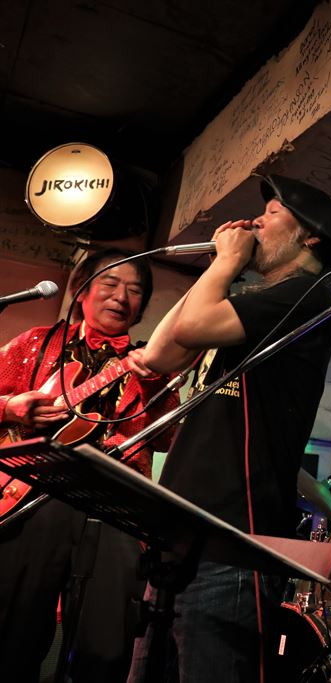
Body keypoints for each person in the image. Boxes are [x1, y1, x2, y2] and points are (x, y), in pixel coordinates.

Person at [126, 174, 331, 683]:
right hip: (182, 534)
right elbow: (159, 355)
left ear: (310, 236)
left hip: (232, 540)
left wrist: (226, 263)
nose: (253, 222)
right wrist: (218, 269)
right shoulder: (253, 302)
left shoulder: (308, 296)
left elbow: (192, 328)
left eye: (272, 214)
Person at [0, 249, 178, 682]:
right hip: (35, 495)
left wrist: (154, 385)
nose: (121, 297)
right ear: (81, 290)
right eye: (110, 284)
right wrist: (10, 407)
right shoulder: (37, 343)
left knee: (104, 647)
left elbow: (168, 439)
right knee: (12, 636)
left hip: (114, 506)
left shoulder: (149, 364)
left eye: (135, 290)